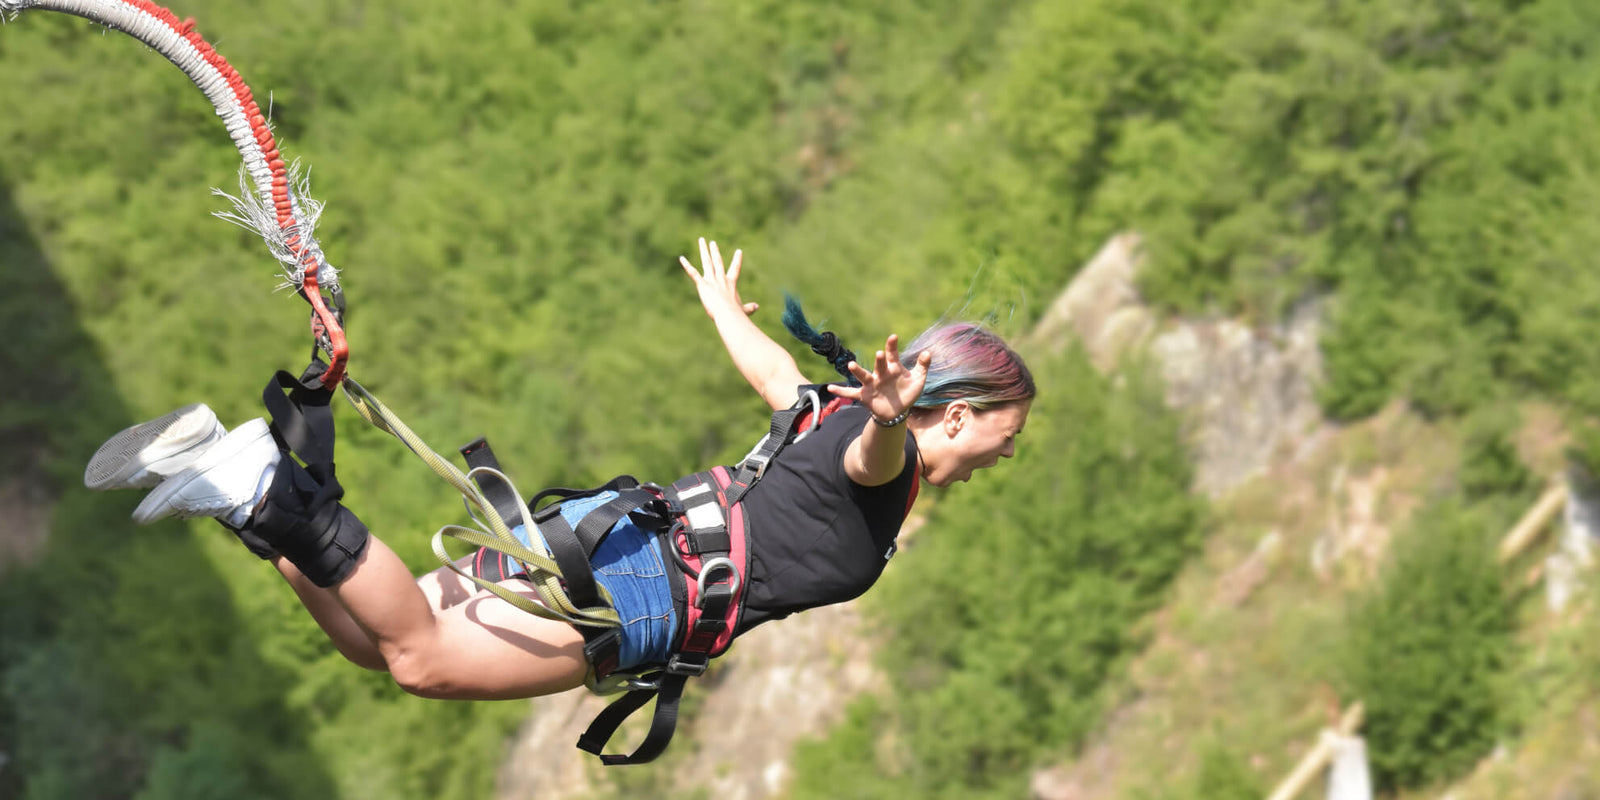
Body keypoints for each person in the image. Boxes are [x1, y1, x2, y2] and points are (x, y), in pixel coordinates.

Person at [84, 238, 1034, 705]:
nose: (1007, 456)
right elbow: (874, 460)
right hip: (640, 588)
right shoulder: (887, 451)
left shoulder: (828, 409)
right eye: (1009, 436)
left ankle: (243, 500)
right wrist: (890, 419)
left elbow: (778, 378)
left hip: (617, 533)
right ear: (960, 414)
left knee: (377, 644)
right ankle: (261, 484)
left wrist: (721, 312)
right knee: (420, 661)